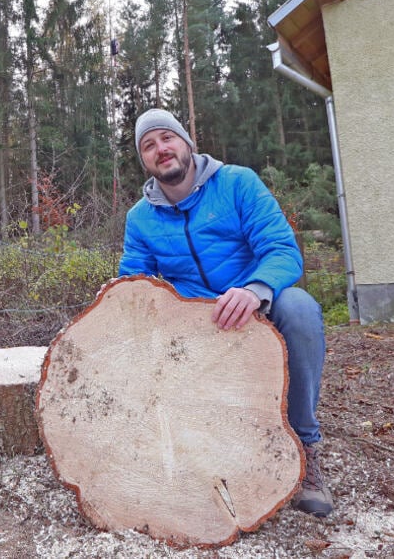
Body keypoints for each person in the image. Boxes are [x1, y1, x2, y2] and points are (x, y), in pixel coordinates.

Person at [119, 108, 334, 518]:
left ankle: (305, 445)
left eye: (167, 138)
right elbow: (136, 285)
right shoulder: (140, 218)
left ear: (186, 142)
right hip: (195, 330)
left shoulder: (237, 183)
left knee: (301, 307)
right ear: (143, 160)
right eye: (148, 145)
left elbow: (282, 249)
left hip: (257, 310)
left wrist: (255, 290)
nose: (161, 149)